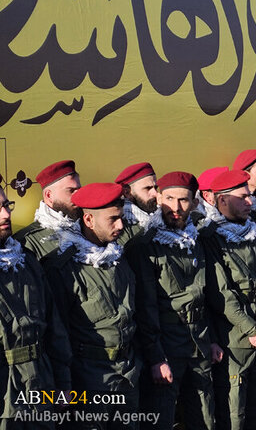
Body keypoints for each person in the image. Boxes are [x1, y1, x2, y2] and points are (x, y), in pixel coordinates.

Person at [126, 172, 222, 430]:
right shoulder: (144, 245)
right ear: (158, 197)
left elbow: (206, 294)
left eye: (183, 200)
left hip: (199, 343)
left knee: (203, 418)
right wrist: (156, 357)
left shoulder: (197, 240)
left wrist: (211, 339)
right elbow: (145, 308)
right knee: (162, 418)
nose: (176, 208)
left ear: (194, 203)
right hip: (166, 345)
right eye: (169, 198)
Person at [46, 183, 140, 428]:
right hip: (89, 378)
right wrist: (64, 384)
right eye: (113, 219)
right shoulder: (66, 268)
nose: (121, 226)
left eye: (121, 218)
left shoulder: (119, 258)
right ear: (88, 219)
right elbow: (58, 332)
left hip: (127, 373)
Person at [201, 169, 256, 430]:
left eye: (250, 196)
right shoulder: (211, 238)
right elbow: (221, 294)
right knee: (234, 412)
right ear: (221, 200)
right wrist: (253, 329)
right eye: (242, 197)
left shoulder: (255, 233)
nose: (250, 202)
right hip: (234, 339)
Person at [0, 186, 72, 429]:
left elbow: (54, 326)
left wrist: (63, 382)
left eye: (6, 205)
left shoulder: (26, 260)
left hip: (41, 382)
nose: (5, 215)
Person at [16, 160, 81, 261]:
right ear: (49, 196)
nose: (78, 196)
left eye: (79, 190)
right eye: (71, 191)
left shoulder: (86, 230)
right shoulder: (26, 241)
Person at [115, 162, 158, 245]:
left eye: (155, 188)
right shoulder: (120, 226)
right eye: (148, 188)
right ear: (127, 192)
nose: (155, 193)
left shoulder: (160, 217)